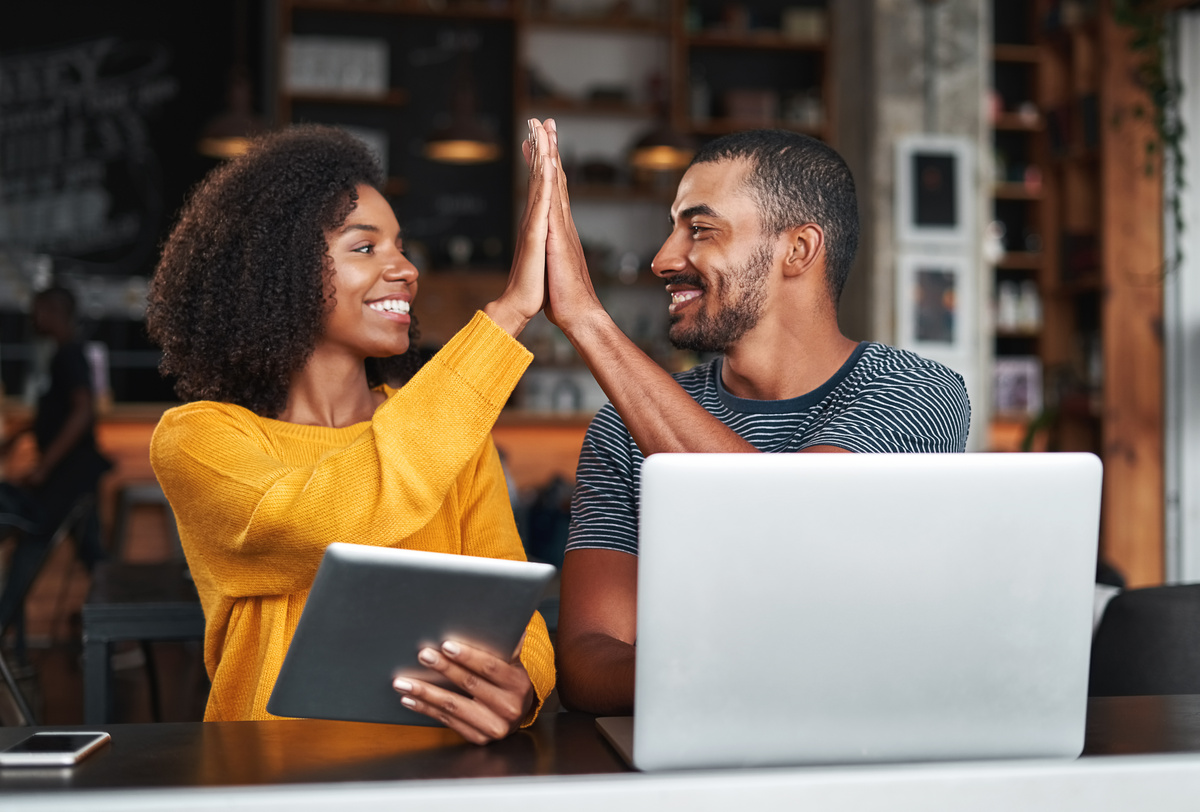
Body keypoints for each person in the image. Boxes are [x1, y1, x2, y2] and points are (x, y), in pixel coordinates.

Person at [537, 127, 972, 715]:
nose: (664, 259)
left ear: (797, 250)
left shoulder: (912, 390)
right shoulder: (623, 424)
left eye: (701, 230)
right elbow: (588, 665)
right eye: (673, 229)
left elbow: (780, 532)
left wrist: (588, 320)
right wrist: (764, 676)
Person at [146, 122, 558, 743]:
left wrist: (519, 681)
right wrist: (505, 316)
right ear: (275, 271)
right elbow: (331, 524)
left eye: (400, 246)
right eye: (364, 249)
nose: (406, 270)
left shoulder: (452, 435)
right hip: (271, 781)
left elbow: (512, 607)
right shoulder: (201, 440)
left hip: (439, 775)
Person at [0, 286, 111, 647]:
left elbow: (82, 412)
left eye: (37, 310)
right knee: (92, 556)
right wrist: (20, 435)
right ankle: (112, 633)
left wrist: (45, 466)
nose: (32, 318)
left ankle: (8, 636)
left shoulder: (68, 356)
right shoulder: (66, 355)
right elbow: (60, 412)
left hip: (69, 478)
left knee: (32, 546)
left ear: (52, 311)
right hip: (76, 476)